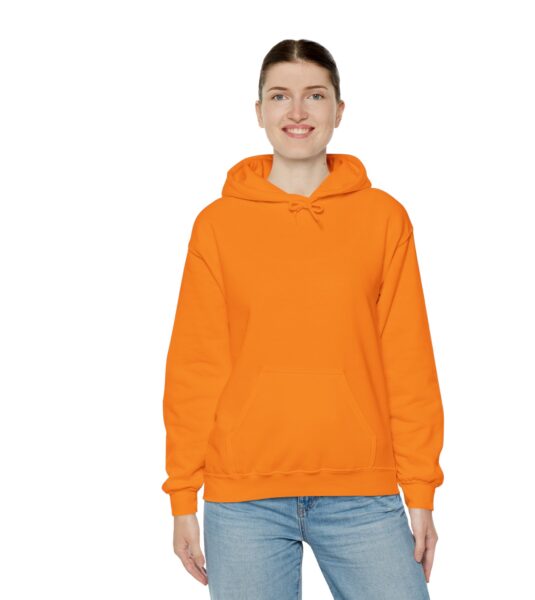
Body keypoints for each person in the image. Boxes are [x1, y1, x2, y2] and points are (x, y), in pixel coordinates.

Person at [161, 38, 445, 600]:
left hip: (361, 492)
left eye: (314, 95)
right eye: (279, 96)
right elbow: (196, 365)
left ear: (339, 110)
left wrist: (420, 491)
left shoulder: (384, 218)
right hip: (244, 498)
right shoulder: (217, 225)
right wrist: (182, 496)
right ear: (259, 111)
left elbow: (407, 360)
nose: (297, 111)